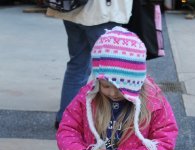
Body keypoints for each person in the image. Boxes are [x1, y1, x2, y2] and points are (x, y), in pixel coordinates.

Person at [46, 0, 133, 129]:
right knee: (110, 70)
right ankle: (110, 123)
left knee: (77, 65)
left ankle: (66, 120)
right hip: (103, 12)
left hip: (72, 9)